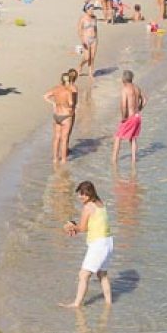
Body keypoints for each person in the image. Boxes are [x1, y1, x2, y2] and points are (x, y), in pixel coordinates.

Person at [59, 180, 113, 308]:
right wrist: (75, 227)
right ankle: (108, 303)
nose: (80, 197)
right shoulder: (100, 203)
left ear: (88, 194)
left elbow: (83, 228)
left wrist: (71, 226)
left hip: (98, 244)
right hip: (108, 242)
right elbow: (91, 226)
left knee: (83, 274)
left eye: (82, 194)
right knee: (102, 274)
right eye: (79, 194)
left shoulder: (88, 207)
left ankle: (76, 304)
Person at [112, 70, 145, 175]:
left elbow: (123, 105)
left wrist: (123, 117)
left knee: (118, 137)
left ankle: (114, 160)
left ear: (123, 79)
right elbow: (145, 100)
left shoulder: (125, 89)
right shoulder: (137, 88)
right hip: (137, 116)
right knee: (133, 138)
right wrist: (139, 109)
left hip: (129, 117)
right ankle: (134, 161)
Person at [44, 72, 78, 165]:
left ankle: (55, 159)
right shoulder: (68, 91)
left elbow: (45, 96)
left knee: (56, 138)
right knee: (64, 139)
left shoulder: (56, 88)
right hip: (66, 115)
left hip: (56, 115)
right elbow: (71, 103)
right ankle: (63, 160)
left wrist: (54, 103)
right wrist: (67, 106)